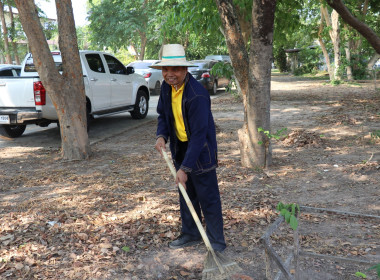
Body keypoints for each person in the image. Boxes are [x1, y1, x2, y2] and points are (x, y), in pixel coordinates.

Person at [152, 44, 226, 252]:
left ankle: (217, 242)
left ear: (185, 70)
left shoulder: (197, 95)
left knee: (208, 196)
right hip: (180, 147)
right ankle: (191, 233)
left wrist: (185, 169)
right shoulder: (167, 88)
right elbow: (163, 116)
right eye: (166, 69)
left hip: (200, 150)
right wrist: (161, 136)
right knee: (186, 193)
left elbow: (199, 136)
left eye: (175, 69)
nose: (170, 74)